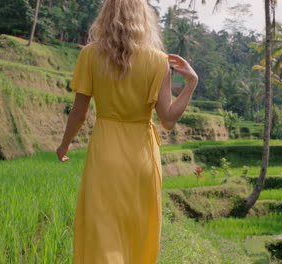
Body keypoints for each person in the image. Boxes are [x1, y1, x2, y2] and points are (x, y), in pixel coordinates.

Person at [55, 0, 198, 262]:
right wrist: (190, 83)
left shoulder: (90, 54)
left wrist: (64, 145)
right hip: (142, 158)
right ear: (144, 18)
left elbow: (79, 113)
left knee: (103, 233)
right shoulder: (158, 61)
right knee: (137, 232)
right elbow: (167, 120)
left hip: (105, 154)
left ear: (105, 16)